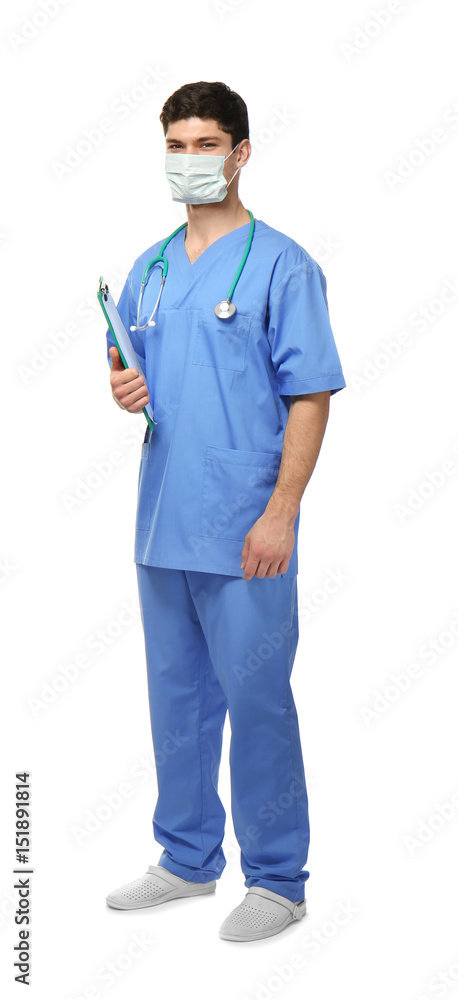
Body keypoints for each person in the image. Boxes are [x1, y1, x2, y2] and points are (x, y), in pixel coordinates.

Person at [104, 80, 346, 943]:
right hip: (163, 520)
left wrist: (281, 512)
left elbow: (311, 393)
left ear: (241, 153)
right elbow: (131, 364)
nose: (190, 159)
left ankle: (278, 879)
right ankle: (185, 859)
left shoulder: (282, 263)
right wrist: (122, 386)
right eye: (177, 144)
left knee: (257, 701)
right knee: (176, 699)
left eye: (207, 143)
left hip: (246, 525)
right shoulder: (154, 266)